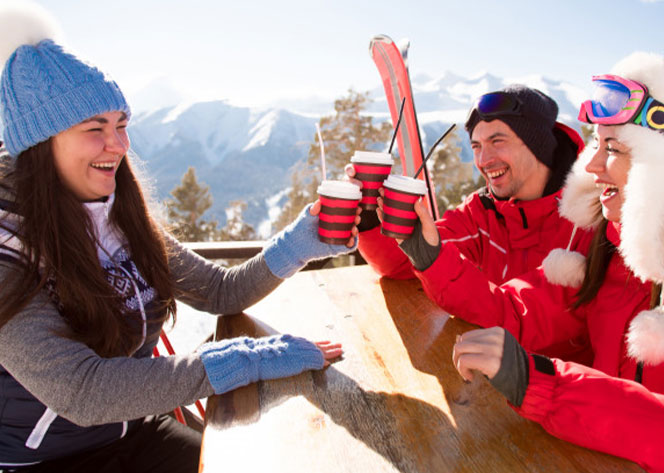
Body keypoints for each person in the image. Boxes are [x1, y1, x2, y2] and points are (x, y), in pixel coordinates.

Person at [0, 6, 356, 473]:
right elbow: (81, 392)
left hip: (136, 432)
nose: (120, 146)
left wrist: (301, 243)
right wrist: (241, 361)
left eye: (121, 125)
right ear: (42, 145)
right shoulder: (9, 252)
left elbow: (219, 291)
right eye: (95, 130)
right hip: (46, 461)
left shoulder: (121, 219)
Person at [451, 52, 664, 473]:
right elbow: (523, 309)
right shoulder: (616, 254)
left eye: (615, 148)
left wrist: (543, 385)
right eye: (597, 144)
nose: (590, 165)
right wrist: (423, 252)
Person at [349, 84, 587, 287]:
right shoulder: (481, 213)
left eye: (497, 141)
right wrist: (370, 214)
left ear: (538, 146)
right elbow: (407, 263)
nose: (483, 160)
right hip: (481, 341)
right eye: (476, 146)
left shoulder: (592, 217)